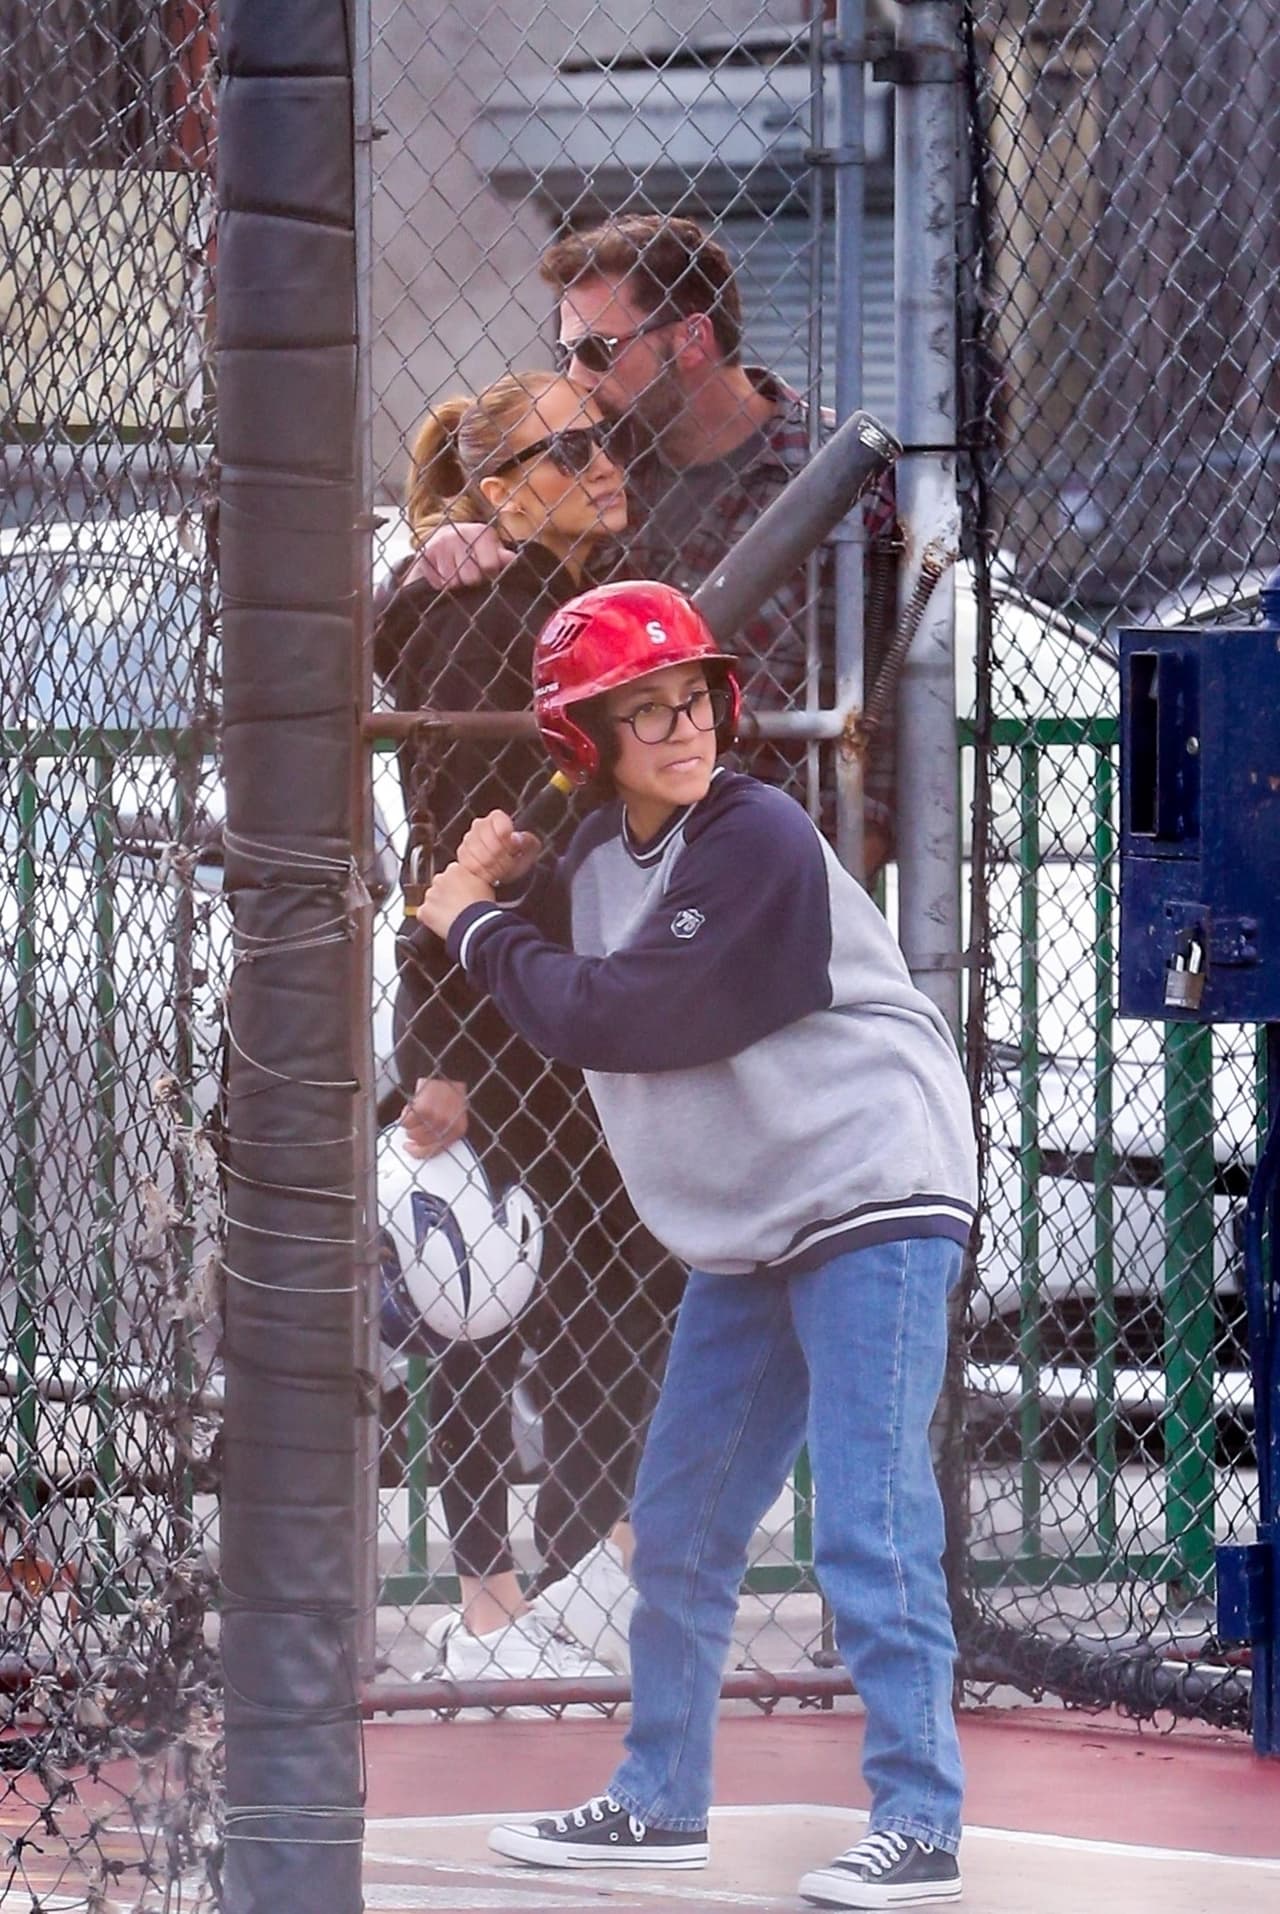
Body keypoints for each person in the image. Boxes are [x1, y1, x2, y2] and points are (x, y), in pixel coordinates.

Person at [412, 578, 978, 1909]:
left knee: (871, 1517)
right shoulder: (594, 864)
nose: (683, 729)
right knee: (677, 1531)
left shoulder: (757, 837)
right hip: (751, 1228)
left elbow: (617, 1015)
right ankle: (660, 1800)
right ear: (586, 744)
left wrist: (479, 918)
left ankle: (921, 1818)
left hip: (870, 1190)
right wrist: (470, 882)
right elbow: (473, 965)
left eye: (692, 700)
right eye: (643, 711)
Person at [376, 370, 685, 1685]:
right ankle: (495, 1595)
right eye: (571, 449)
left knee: (610, 1292)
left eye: (609, 435)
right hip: (487, 1002)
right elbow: (448, 856)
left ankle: (579, 1580)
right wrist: (439, 1055)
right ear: (498, 493)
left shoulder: (608, 584)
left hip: (581, 995)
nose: (606, 460)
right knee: (483, 1302)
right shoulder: (472, 615)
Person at [406, 213, 900, 876]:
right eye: (566, 353)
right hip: (606, 871)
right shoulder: (593, 469)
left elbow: (885, 697)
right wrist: (458, 534)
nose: (577, 378)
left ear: (691, 338)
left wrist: (835, 880)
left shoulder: (831, 476)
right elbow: (498, 569)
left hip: (762, 865)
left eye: (596, 351)